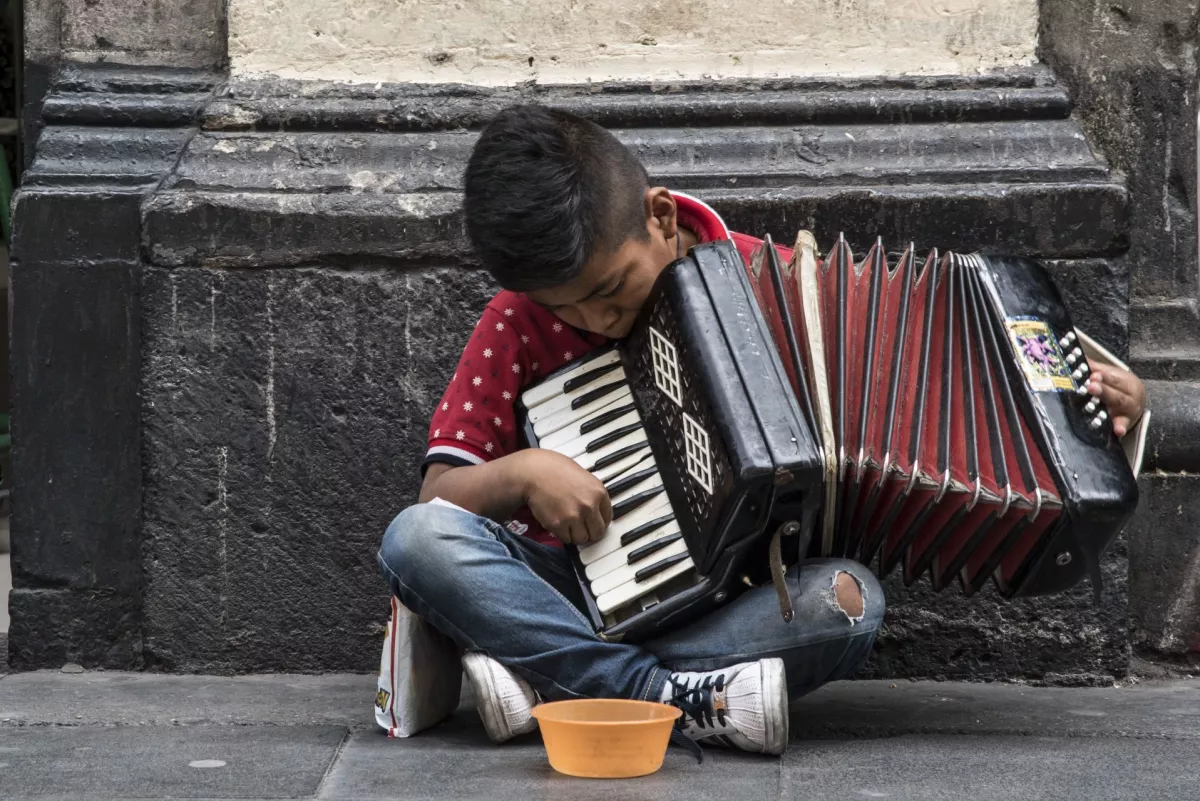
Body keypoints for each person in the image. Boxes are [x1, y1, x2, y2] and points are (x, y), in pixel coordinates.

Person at [376, 105, 1148, 756]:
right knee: (416, 539)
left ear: (661, 215)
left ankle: (550, 676)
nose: (595, 320)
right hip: (560, 587)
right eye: (565, 308)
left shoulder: (780, 296)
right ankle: (661, 696)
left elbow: (945, 386)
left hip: (720, 607)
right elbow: (441, 494)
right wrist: (522, 474)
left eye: (610, 290)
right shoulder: (518, 320)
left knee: (848, 602)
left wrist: (1098, 407)